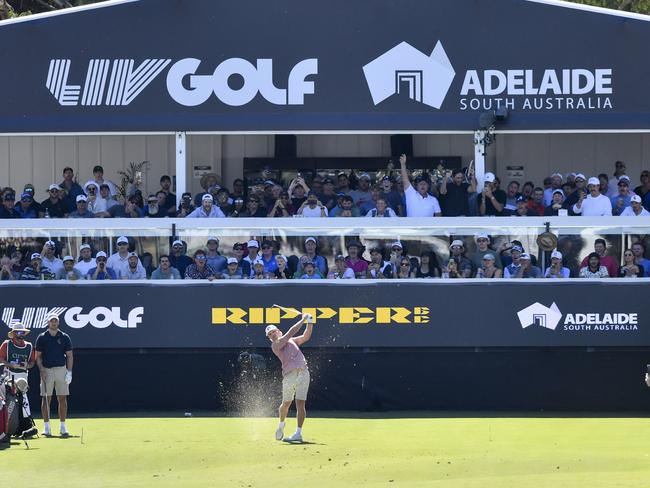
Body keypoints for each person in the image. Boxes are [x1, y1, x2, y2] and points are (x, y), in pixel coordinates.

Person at [266, 312, 313, 443]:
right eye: (269, 335)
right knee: (286, 403)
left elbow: (306, 336)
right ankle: (281, 424)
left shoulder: (292, 341)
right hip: (289, 375)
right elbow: (290, 333)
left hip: (303, 372)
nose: (272, 335)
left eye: (273, 332)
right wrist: (303, 319)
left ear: (278, 331)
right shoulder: (275, 345)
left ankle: (298, 433)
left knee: (300, 403)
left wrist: (310, 321)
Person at [35, 313, 73, 437]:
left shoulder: (64, 337)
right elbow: (38, 357)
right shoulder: (42, 337)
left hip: (61, 369)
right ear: (48, 323)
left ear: (58, 322)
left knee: (62, 398)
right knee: (46, 399)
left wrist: (69, 372)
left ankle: (63, 426)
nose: (54, 323)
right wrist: (41, 370)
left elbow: (69, 356)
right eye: (52, 321)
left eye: (56, 321)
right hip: (47, 370)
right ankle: (46, 427)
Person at [0, 323, 35, 418]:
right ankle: (8, 421)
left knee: (23, 397)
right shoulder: (7, 344)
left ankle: (26, 421)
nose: (21, 334)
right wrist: (11, 364)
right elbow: (1, 358)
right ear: (14, 333)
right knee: (8, 398)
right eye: (19, 332)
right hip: (8, 374)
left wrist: (27, 365)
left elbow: (32, 362)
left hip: (22, 375)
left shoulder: (29, 346)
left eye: (23, 332)